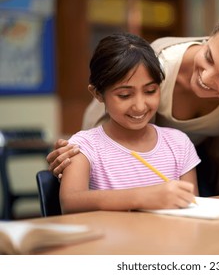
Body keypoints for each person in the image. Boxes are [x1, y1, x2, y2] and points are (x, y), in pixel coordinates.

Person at [47, 10, 219, 202]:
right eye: (208, 57)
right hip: (138, 179)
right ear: (208, 36)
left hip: (195, 176)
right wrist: (80, 155)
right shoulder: (156, 63)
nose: (206, 78)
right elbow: (106, 144)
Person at [59, 32, 200, 214]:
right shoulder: (84, 146)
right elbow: (70, 202)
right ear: (98, 94)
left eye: (150, 91)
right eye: (124, 95)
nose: (140, 106)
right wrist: (144, 197)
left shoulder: (179, 143)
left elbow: (193, 208)